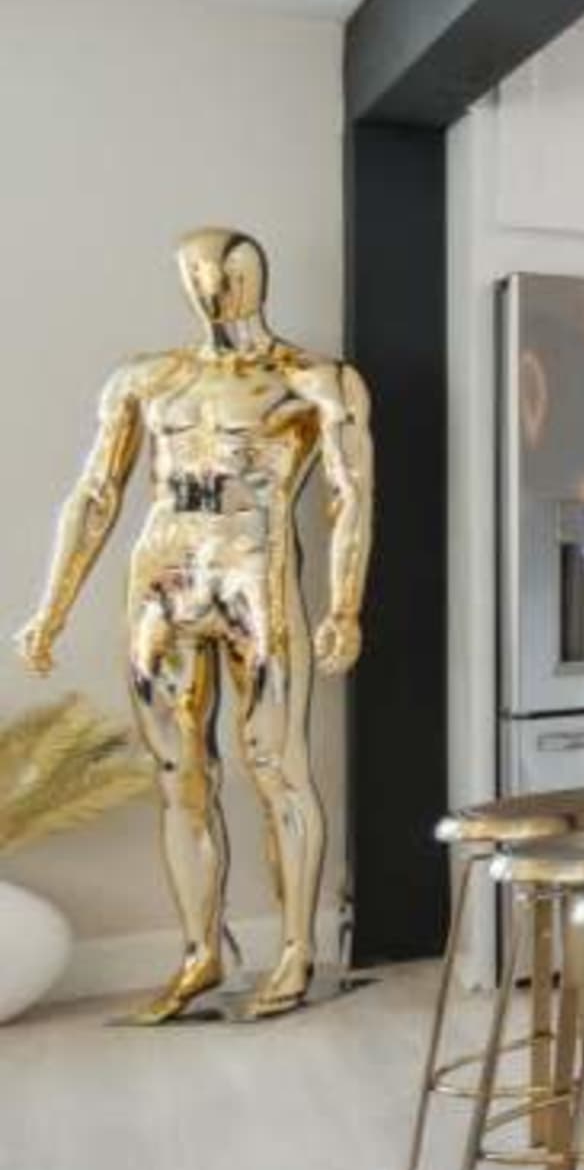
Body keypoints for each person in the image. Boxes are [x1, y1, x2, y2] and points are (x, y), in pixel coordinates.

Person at [15, 227, 373, 1020]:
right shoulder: (147, 379)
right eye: (199, 273)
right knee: (179, 774)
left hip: (255, 574)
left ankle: (294, 950)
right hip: (163, 576)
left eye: (228, 271)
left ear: (256, 278)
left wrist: (346, 603)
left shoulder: (312, 380)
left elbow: (349, 497)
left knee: (275, 765)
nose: (214, 285)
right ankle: (200, 952)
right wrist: (52, 605)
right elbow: (97, 494)